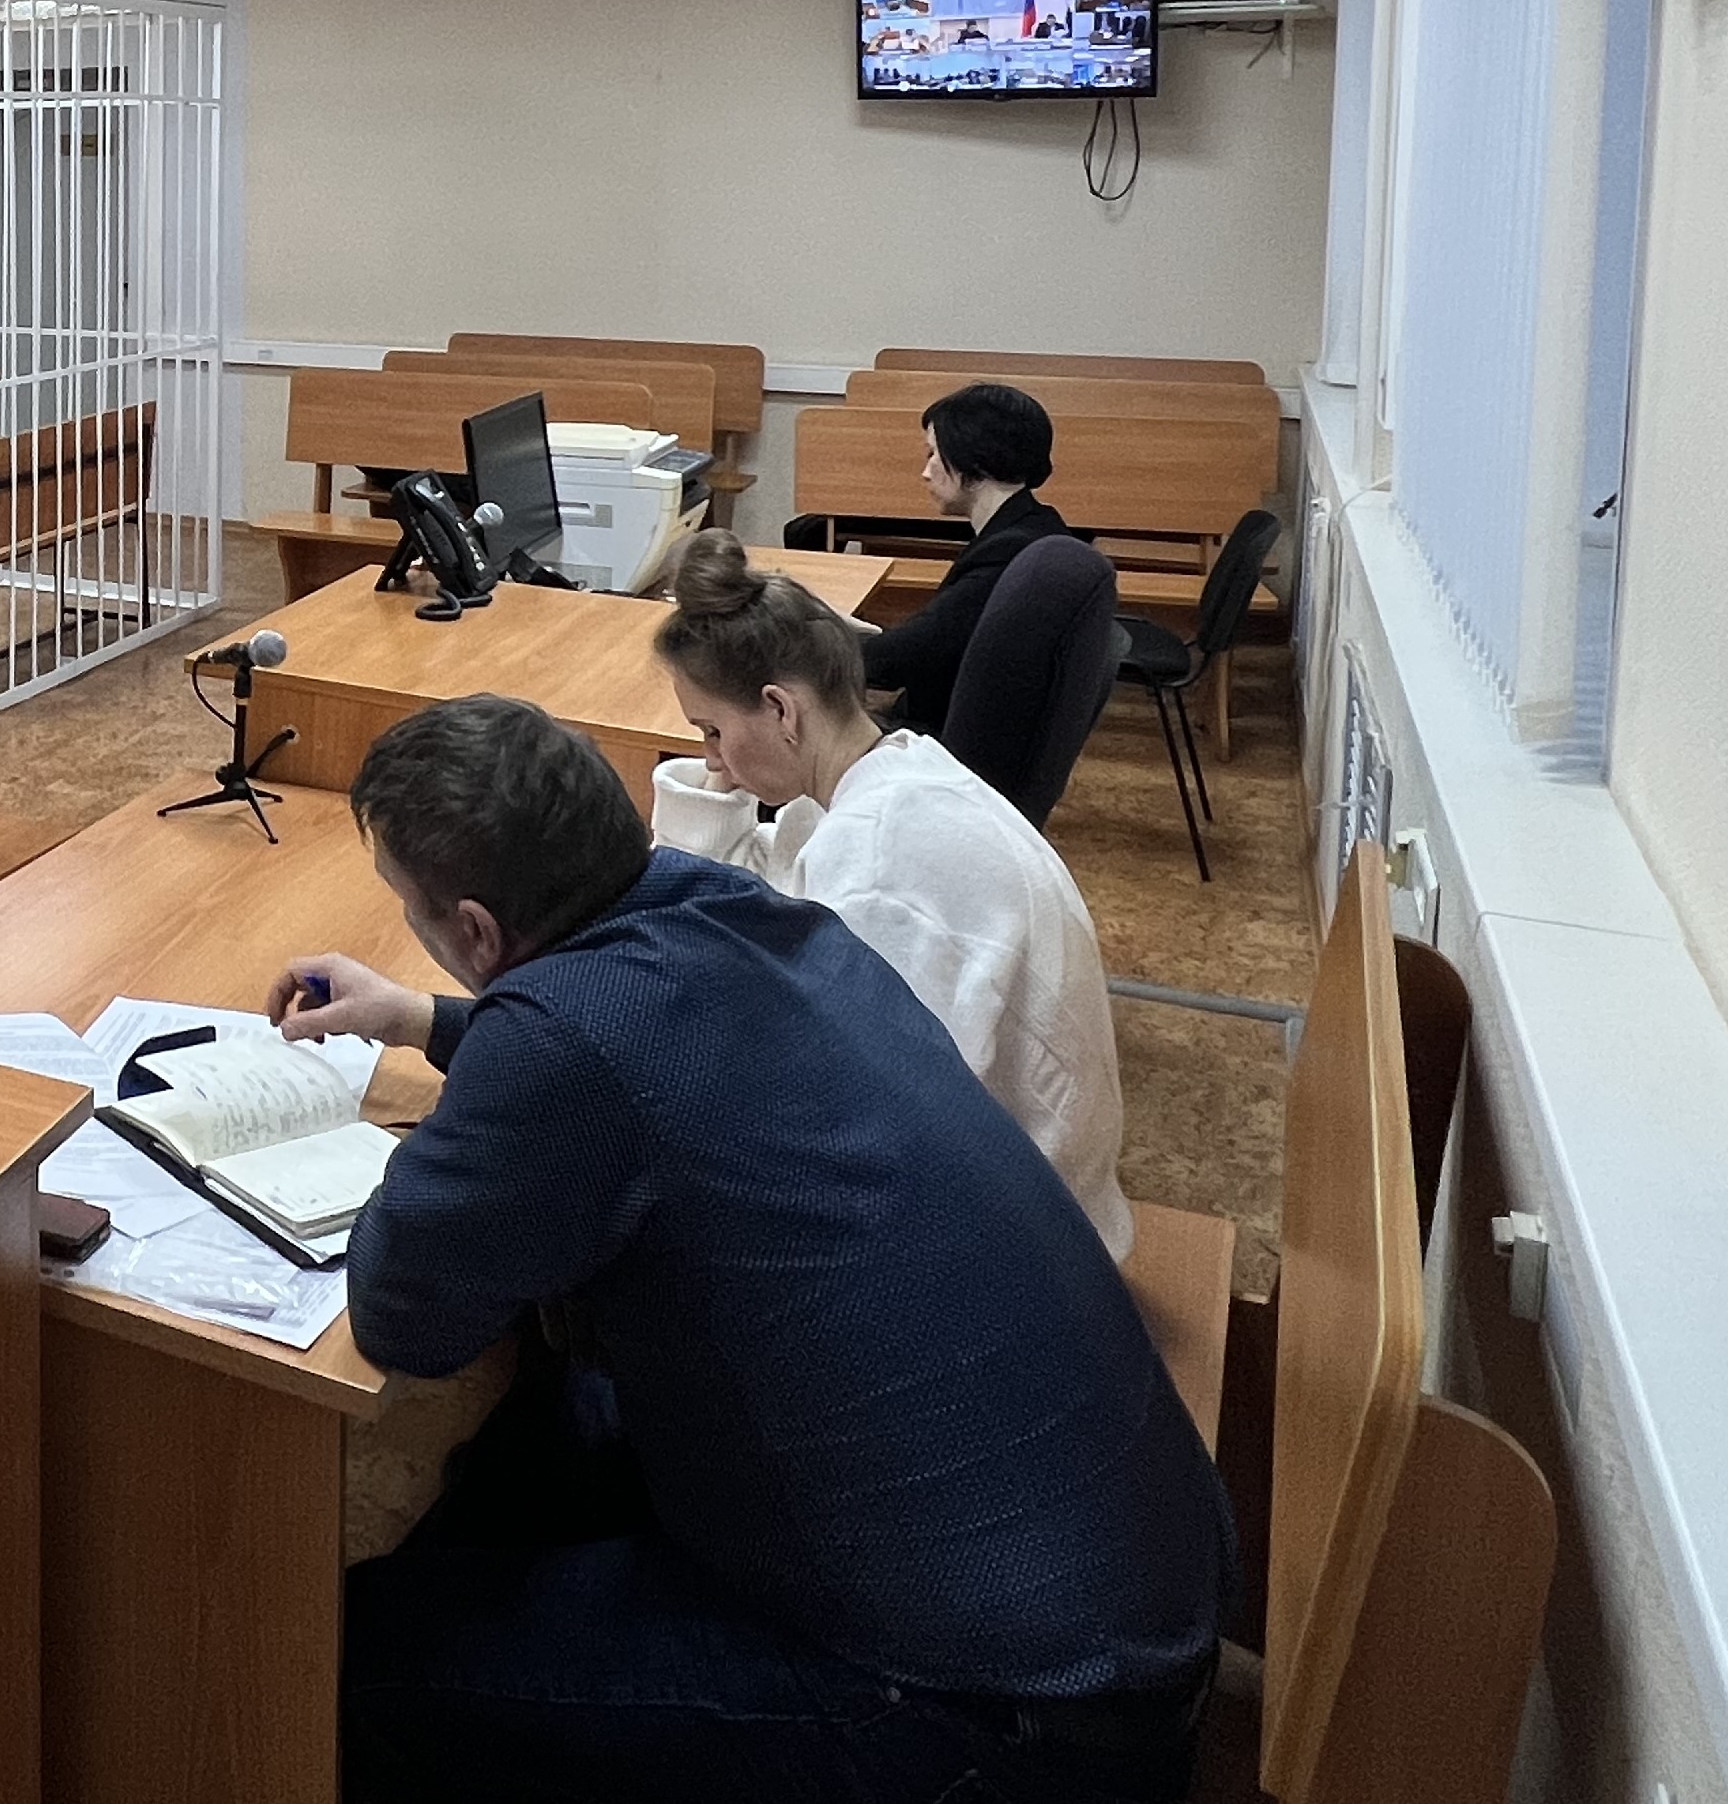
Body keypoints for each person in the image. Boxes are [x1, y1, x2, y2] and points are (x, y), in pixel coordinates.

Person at [271, 695, 1223, 1801]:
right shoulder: (744, 909)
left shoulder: (566, 1049)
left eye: (413, 907)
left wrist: (478, 1093)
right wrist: (428, 1020)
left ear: (477, 933)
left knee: (357, 1657)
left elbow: (404, 1314)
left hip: (994, 1719)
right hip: (1124, 1585)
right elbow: (642, 1046)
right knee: (541, 1430)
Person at [648, 531, 1133, 1255]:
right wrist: (716, 786)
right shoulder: (898, 773)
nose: (710, 758)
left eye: (712, 731)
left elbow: (879, 1128)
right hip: (1009, 1188)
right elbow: (742, 894)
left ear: (782, 710)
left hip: (1028, 1243)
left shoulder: (879, 868)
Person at [856, 380, 1074, 737]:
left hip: (941, 742)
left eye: (934, 455)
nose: (925, 472)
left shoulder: (1009, 552)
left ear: (974, 464)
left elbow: (904, 658)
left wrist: (813, 649)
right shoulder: (1035, 527)